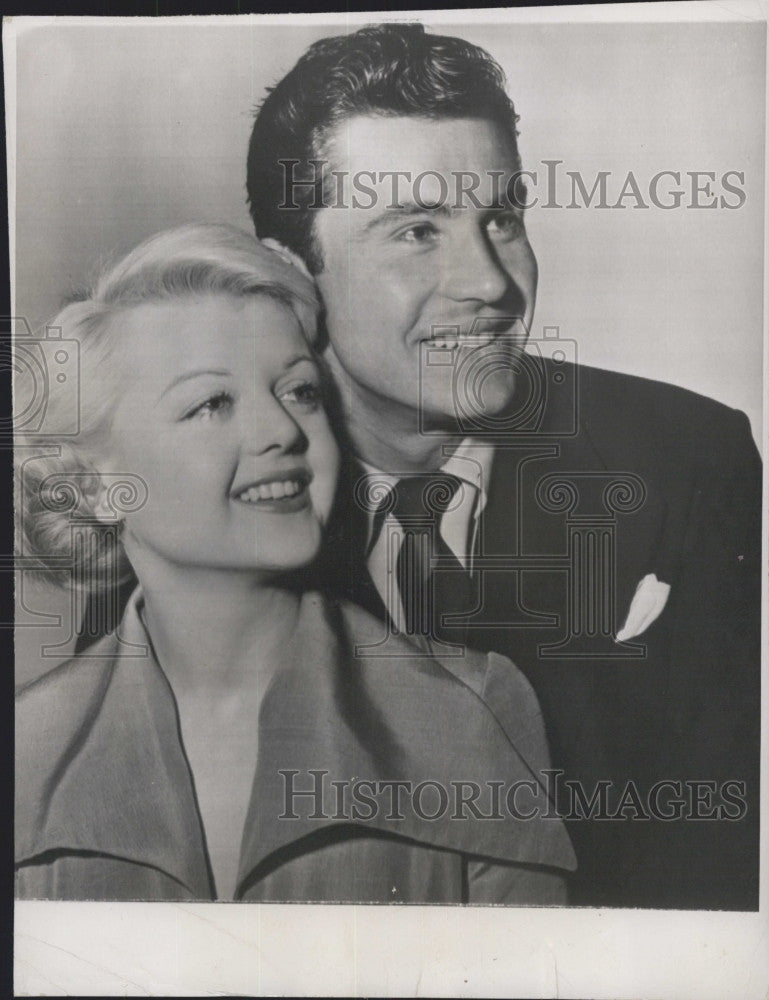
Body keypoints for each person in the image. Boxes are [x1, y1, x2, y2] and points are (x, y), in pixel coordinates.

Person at [246, 23, 762, 908]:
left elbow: (725, 875)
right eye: (415, 231)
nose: (490, 282)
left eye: (501, 218)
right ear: (295, 281)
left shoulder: (688, 459)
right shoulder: (228, 496)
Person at [14, 223, 575, 903]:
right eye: (210, 403)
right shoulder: (27, 749)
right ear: (95, 486)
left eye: (299, 391)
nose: (282, 431)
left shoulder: (471, 704)